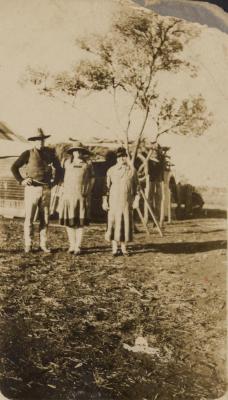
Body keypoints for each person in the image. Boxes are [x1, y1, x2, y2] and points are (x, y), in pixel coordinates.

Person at [11, 128, 62, 253]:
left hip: (46, 189)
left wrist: (54, 182)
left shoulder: (50, 154)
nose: (40, 142)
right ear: (33, 141)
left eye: (42, 140)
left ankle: (43, 244)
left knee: (45, 218)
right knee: (29, 218)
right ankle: (28, 244)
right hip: (31, 189)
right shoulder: (27, 153)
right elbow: (14, 167)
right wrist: (22, 180)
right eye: (37, 140)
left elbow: (60, 169)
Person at [58, 141, 95, 255]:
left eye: (79, 150)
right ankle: (72, 245)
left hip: (81, 196)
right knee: (69, 222)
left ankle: (78, 246)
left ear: (82, 152)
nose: (77, 153)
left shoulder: (87, 164)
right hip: (68, 196)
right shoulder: (66, 163)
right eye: (75, 150)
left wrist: (87, 190)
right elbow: (60, 177)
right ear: (72, 152)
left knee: (80, 222)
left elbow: (93, 179)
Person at [102, 147, 140, 257]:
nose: (122, 158)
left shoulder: (132, 171)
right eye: (119, 156)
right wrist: (105, 201)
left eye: (124, 156)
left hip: (126, 202)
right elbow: (106, 188)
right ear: (116, 158)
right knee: (113, 224)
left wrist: (136, 200)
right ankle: (114, 249)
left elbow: (137, 188)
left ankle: (124, 248)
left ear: (126, 157)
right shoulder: (111, 170)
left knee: (124, 224)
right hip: (113, 202)